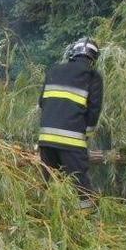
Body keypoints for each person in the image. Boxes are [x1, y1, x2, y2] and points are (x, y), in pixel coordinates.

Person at [38, 37, 104, 209]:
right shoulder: (92, 76)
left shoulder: (54, 70)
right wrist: (86, 135)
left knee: (52, 182)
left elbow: (42, 102)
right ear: (93, 59)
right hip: (72, 141)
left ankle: (52, 218)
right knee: (80, 185)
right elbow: (93, 110)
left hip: (45, 139)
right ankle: (86, 220)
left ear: (72, 54)